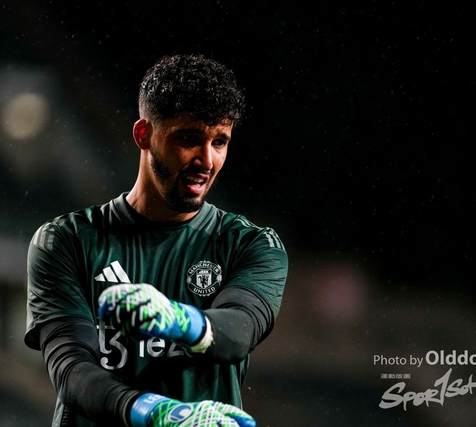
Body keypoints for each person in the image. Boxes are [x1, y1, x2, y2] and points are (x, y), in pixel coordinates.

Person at [25, 54, 288, 427]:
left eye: (219, 142)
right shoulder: (65, 241)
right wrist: (160, 412)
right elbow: (72, 371)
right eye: (189, 138)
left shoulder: (250, 245)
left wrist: (180, 320)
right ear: (143, 135)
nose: (207, 160)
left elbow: (240, 330)